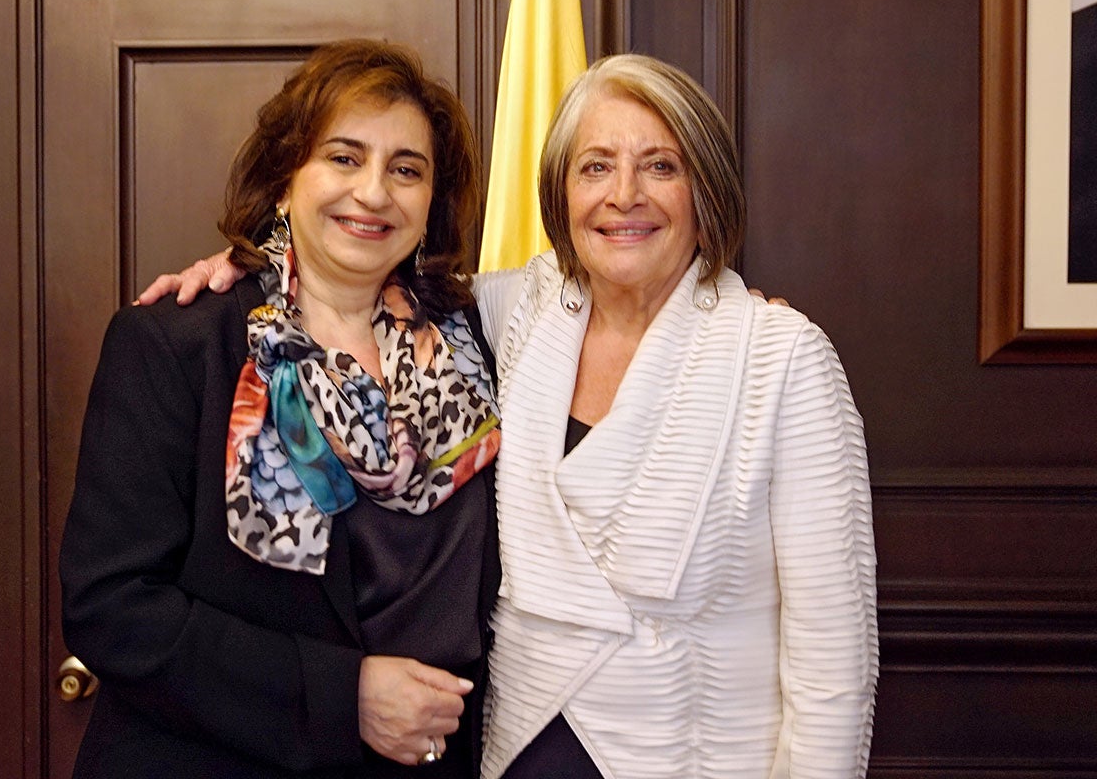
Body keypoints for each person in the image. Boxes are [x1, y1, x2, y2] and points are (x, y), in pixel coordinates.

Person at [145, 53, 877, 778]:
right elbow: (357, 262)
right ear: (560, 195)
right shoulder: (506, 314)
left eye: (661, 166)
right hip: (511, 754)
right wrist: (253, 264)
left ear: (707, 193)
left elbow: (833, 661)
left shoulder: (781, 357)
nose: (624, 195)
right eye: (594, 167)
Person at [59, 39, 503, 779]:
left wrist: (750, 317)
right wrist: (342, 697)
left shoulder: (475, 349)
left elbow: (615, 303)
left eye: (406, 169)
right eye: (343, 157)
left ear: (433, 202)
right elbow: (112, 607)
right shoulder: (179, 345)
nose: (373, 192)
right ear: (284, 181)